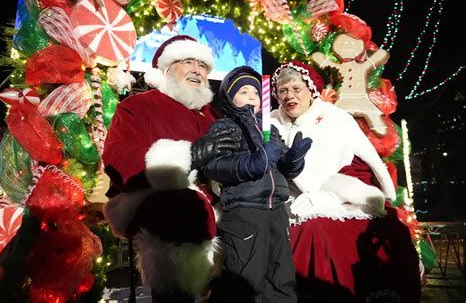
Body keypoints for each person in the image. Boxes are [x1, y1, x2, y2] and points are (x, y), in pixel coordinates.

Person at [102, 35, 240, 302]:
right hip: (165, 206)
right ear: (166, 70)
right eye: (188, 62)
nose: (197, 70)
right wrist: (188, 156)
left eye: (203, 65)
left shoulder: (213, 115)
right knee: (184, 208)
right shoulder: (138, 106)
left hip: (217, 204)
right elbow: (119, 156)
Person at [270, 61, 421, 302]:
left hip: (342, 195)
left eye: (296, 88)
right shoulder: (271, 122)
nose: (290, 96)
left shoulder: (334, 117)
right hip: (289, 198)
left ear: (311, 90)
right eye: (283, 90)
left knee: (384, 229)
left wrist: (384, 189)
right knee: (304, 231)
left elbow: (367, 158)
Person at [200, 66, 312, 302]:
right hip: (245, 212)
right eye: (243, 92)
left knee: (281, 275)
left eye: (254, 92)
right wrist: (253, 163)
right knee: (247, 278)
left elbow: (282, 167)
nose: (251, 97)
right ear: (229, 99)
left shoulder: (269, 129)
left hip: (276, 211)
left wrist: (294, 159)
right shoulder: (223, 127)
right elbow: (214, 165)